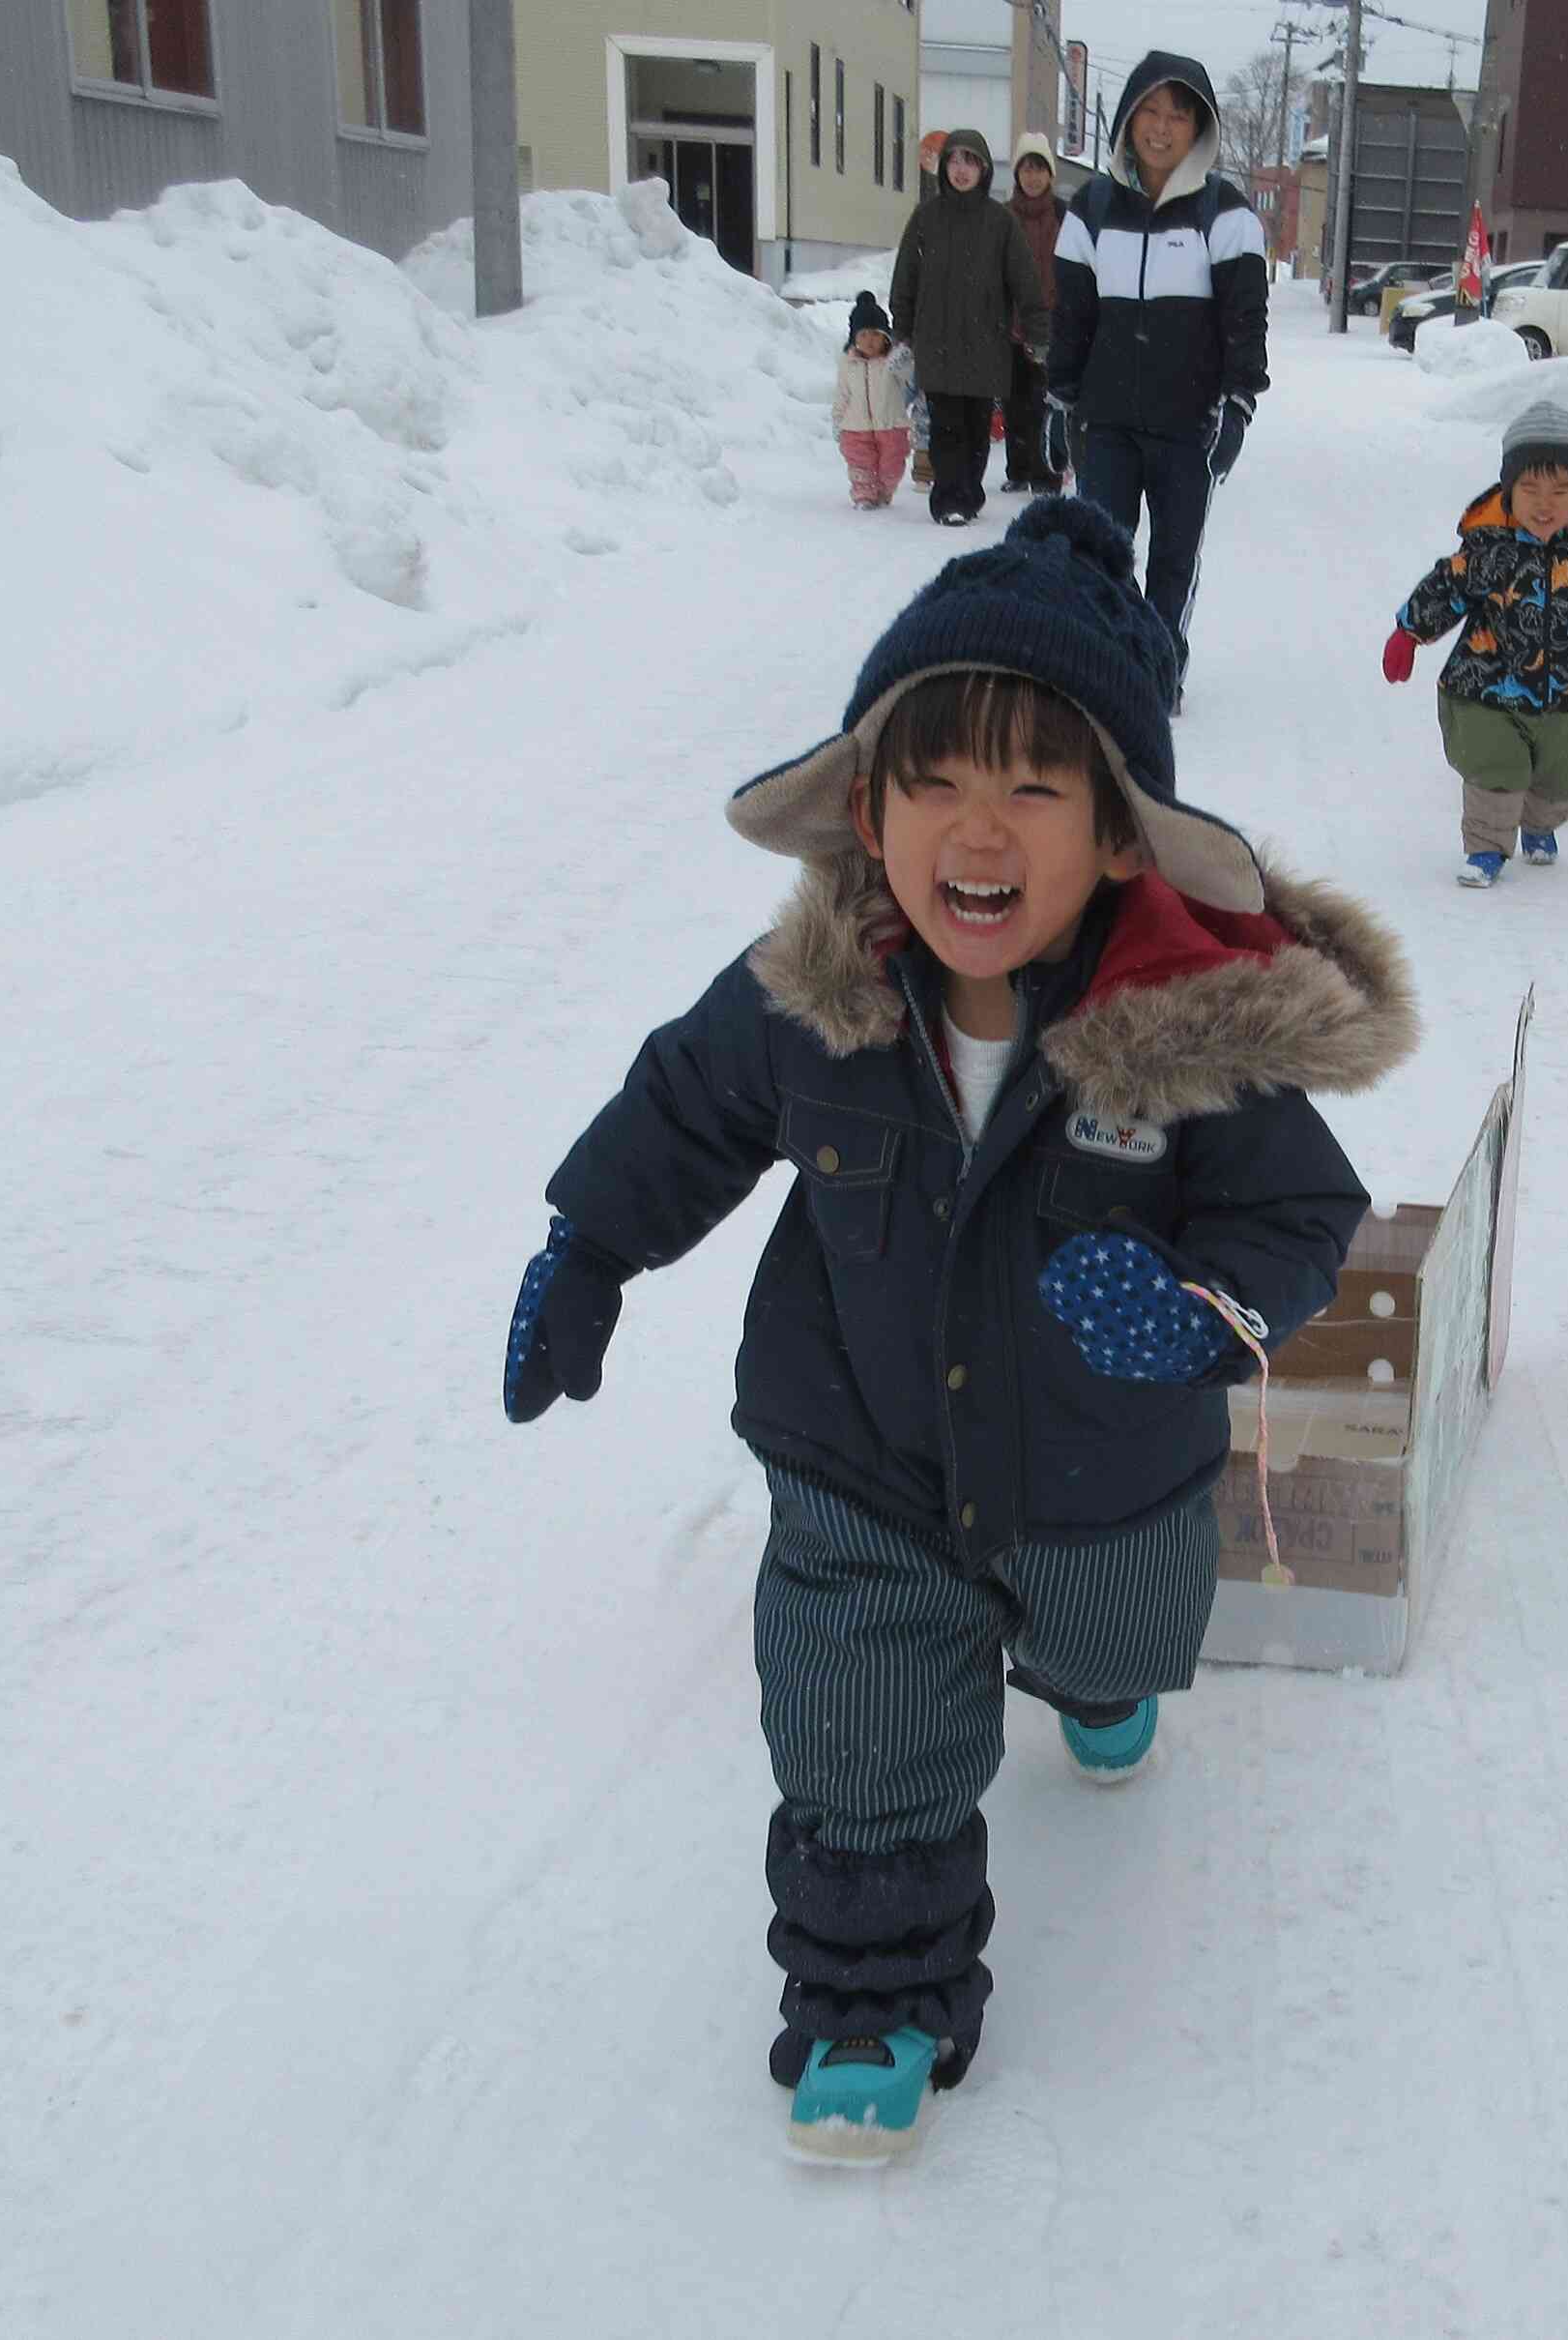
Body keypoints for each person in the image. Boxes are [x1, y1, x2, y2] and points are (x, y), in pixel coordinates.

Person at [500, 497, 1418, 2164]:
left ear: (1121, 835)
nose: (971, 832)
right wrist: (589, 1243)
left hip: (1101, 1468)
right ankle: (873, 2003)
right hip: (861, 1446)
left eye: (1028, 786)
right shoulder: (814, 991)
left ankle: (1083, 1678)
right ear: (869, 811)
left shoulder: (1187, 1022)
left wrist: (1199, 1313)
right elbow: (690, 1106)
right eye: (930, 782)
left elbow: (1295, 1212)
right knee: (858, 1722)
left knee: (1119, 1645)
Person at [1382, 398, 1568, 889]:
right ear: (1508, 489)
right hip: (1488, 684)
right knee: (1494, 766)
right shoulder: (1489, 546)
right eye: (1530, 488)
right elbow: (1448, 586)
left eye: (1561, 490)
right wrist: (1409, 632)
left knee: (1566, 773)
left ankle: (1540, 825)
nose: (1545, 504)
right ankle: (1487, 848)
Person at [1050, 54, 1268, 697]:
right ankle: (1110, 661)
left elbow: (1244, 320)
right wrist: (1060, 396)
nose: (1162, 127)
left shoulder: (1224, 214)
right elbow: (1072, 314)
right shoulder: (1090, 207)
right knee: (1100, 552)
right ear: (1127, 118)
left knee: (1173, 559)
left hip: (1188, 425)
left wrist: (1238, 404)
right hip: (1106, 419)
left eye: (1178, 114)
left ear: (1196, 126)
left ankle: (1159, 662)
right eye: (1150, 110)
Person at [889, 128, 1044, 526]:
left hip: (985, 345)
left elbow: (1025, 281)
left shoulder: (1001, 223)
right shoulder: (926, 218)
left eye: (970, 161)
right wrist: (902, 331)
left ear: (984, 170)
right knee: (945, 428)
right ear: (944, 167)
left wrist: (1038, 329)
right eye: (954, 161)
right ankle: (948, 501)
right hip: (936, 343)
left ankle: (969, 495)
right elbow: (905, 277)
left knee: (976, 430)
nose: (961, 170)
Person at [1003, 132, 1068, 494]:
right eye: (1026, 169)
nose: (1032, 177)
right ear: (1017, 174)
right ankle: (1018, 470)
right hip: (1010, 325)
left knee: (1046, 402)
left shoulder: (1063, 215)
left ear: (1050, 174)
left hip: (1051, 325)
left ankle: (1046, 473)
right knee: (1014, 402)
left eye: (1039, 169)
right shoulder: (1003, 216)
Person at [832, 293, 914, 511]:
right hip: (855, 427)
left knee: (892, 467)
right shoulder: (848, 364)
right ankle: (864, 495)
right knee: (861, 464)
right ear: (854, 338)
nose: (870, 340)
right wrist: (838, 421)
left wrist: (904, 359)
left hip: (891, 426)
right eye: (864, 335)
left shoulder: (892, 363)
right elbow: (842, 394)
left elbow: (910, 376)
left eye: (876, 335)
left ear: (886, 338)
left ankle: (884, 490)